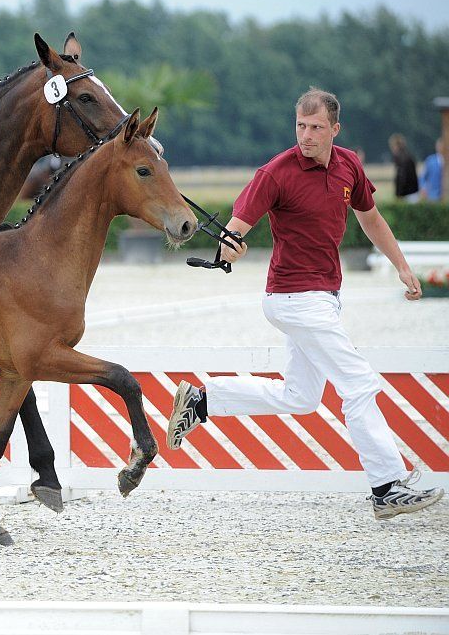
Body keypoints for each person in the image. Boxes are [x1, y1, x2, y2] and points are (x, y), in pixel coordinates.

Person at [167, 88, 444, 520]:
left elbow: (371, 219)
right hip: (293, 298)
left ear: (335, 129)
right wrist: (228, 249)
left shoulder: (349, 165)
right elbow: (235, 229)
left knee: (300, 397)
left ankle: (202, 401)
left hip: (324, 297)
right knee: (358, 383)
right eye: (301, 125)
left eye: (316, 127)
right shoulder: (276, 172)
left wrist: (402, 266)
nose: (306, 135)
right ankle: (387, 486)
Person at [388, 133, 419, 202]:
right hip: (413, 192)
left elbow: (402, 178)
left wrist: (398, 194)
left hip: (406, 194)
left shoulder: (401, 159)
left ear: (396, 146)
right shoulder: (409, 156)